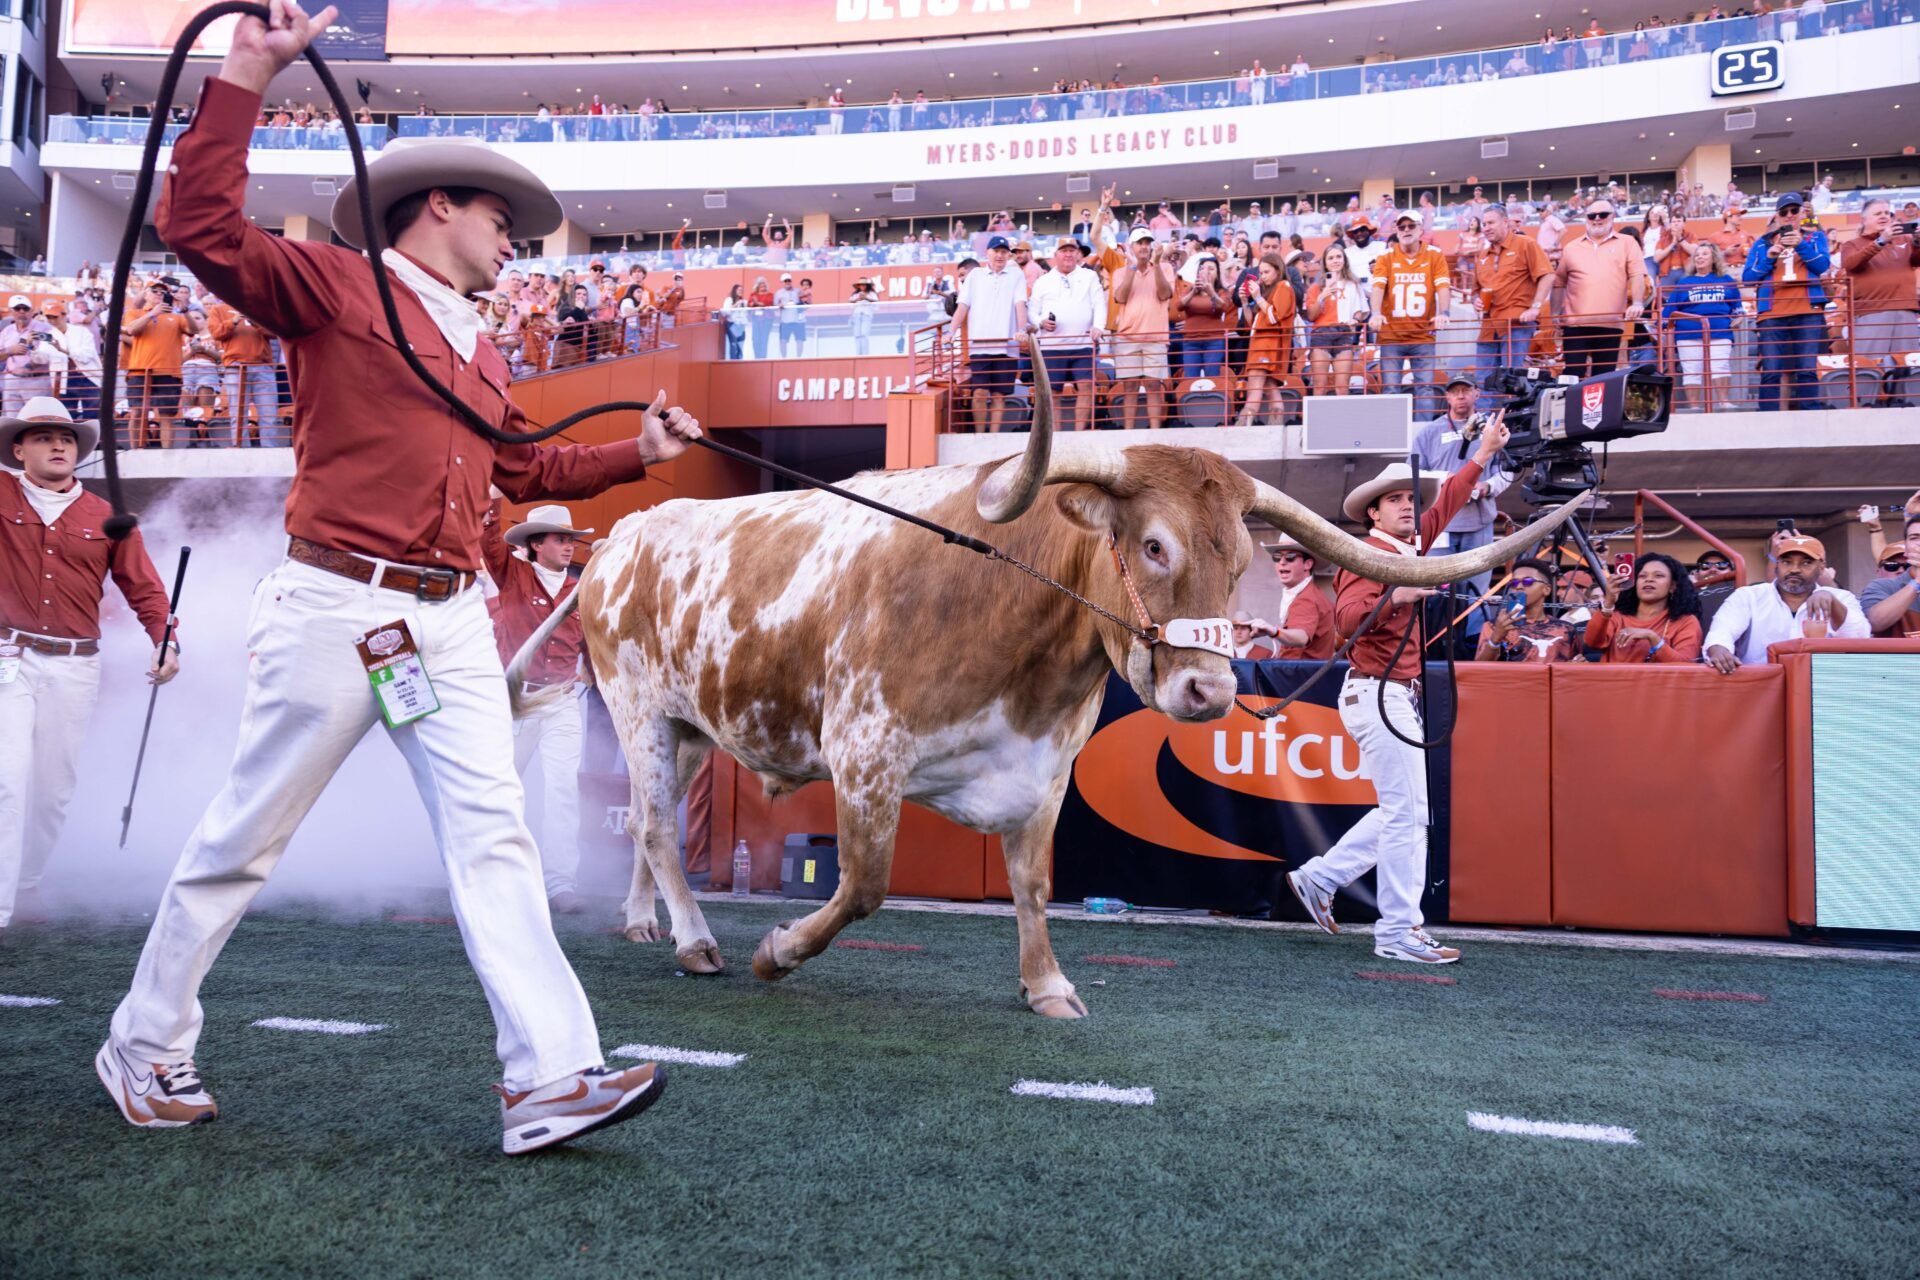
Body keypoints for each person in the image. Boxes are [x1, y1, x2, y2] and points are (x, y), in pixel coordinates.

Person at [100, 0, 699, 1156]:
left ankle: (550, 1075)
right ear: (437, 208)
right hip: (338, 603)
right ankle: (143, 1039)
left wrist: (641, 454)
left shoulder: (481, 341)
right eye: (501, 216)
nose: (517, 236)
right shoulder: (331, 283)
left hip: (449, 620)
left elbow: (521, 462)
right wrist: (243, 74)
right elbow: (198, 223)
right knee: (244, 838)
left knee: (495, 835)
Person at [1286, 413, 1510, 965]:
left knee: (1401, 812)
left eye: (1410, 498)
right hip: (1379, 694)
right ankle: (1397, 931)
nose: (1409, 506)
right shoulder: (1365, 555)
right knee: (1409, 815)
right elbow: (1346, 619)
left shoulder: (1404, 550)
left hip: (1388, 694)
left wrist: (1481, 453)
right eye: (1395, 501)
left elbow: (1449, 502)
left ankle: (1320, 878)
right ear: (1374, 512)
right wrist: (1401, 598)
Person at [0, 399, 178, 944]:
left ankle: (26, 884)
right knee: (7, 780)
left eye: (67, 438)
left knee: (53, 789)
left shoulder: (107, 515)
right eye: (43, 436)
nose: (58, 445)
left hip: (77, 665)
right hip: (6, 657)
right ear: (18, 449)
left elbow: (144, 588)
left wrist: (165, 641)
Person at [483, 500, 591, 915]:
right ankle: (493, 874)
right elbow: (487, 540)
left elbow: (591, 643)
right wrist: (491, 496)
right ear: (535, 544)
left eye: (570, 541)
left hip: (562, 701)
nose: (569, 547)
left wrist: (596, 673)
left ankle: (560, 883)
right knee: (503, 787)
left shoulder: (581, 589)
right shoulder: (512, 574)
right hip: (516, 699)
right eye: (561, 539)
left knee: (562, 789)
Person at [1413, 374, 1513, 634]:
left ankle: (1473, 644)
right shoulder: (1429, 432)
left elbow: (1509, 471)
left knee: (1477, 590)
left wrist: (1487, 486)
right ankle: (1433, 642)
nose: (1460, 396)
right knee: (1434, 588)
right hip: (1440, 525)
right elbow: (1411, 472)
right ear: (1446, 397)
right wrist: (1444, 480)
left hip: (1478, 523)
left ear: (1477, 394)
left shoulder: (1492, 429)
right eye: (1454, 391)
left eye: (1465, 390)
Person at [1704, 534, 1869, 673]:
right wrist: (1719, 649)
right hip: (1761, 691)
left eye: (1806, 562)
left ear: (1821, 567)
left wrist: (1832, 602)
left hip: (1821, 692)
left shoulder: (1842, 598)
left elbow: (1861, 638)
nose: (1794, 569)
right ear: (1776, 565)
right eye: (1786, 562)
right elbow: (1721, 631)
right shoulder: (1749, 596)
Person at [1742, 192, 1832, 412]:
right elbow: (1748, 278)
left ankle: (1812, 417)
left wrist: (1801, 244)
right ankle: (1767, 418)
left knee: (1807, 368)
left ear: (1802, 212)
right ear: (1777, 216)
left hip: (1808, 310)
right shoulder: (1762, 243)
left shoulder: (1815, 237)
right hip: (1771, 313)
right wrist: (1769, 258)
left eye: (1794, 210)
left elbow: (1822, 267)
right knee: (1771, 370)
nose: (1789, 215)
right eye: (1784, 212)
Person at [1369, 210, 1451, 418]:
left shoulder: (1434, 254)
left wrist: (1444, 312)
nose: (1406, 230)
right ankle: (1393, 436)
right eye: (1402, 227)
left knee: (1424, 388)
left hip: (1422, 334)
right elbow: (1378, 287)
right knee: (1391, 389)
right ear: (1396, 230)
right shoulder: (1386, 256)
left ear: (1421, 229)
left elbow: (1442, 286)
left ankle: (1422, 434)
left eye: (1411, 226)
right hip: (1391, 335)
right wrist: (1376, 313)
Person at [1470, 204, 1553, 408]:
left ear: (1505, 222)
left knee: (1514, 377)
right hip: (1489, 326)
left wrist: (1535, 307)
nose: (1486, 227)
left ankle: (1514, 425)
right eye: (1484, 224)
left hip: (1516, 323)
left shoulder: (1525, 244)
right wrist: (1476, 300)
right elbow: (1475, 290)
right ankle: (1484, 427)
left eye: (1491, 222)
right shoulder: (1482, 255)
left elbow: (1548, 275)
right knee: (1483, 379)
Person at [1554, 199, 1647, 379]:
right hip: (1576, 324)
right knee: (1572, 374)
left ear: (1612, 217)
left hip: (1610, 323)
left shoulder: (1627, 243)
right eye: (1592, 215)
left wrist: (1637, 302)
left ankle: (1600, 409)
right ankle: (1569, 408)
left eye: (1603, 214)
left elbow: (1637, 274)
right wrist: (1555, 311)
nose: (1597, 219)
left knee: (1604, 378)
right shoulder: (1571, 247)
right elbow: (1559, 282)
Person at [952, 235, 1029, 433]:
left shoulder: (1016, 274)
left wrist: (1021, 329)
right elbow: (963, 305)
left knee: (999, 395)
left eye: (1004, 252)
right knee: (979, 392)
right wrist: (951, 331)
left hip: (1007, 346)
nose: (1000, 255)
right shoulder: (975, 275)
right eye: (996, 251)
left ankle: (993, 436)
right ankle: (980, 434)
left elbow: (1020, 304)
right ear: (987, 252)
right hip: (980, 345)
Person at [1026, 238, 1105, 433]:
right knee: (1053, 392)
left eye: (1072, 250)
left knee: (1086, 387)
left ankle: (1079, 433)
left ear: (1078, 254)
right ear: (1055, 255)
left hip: (1083, 342)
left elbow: (1099, 303)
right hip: (1052, 345)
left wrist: (1098, 326)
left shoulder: (1089, 276)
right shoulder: (1043, 280)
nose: (1068, 254)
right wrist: (1040, 322)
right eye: (1064, 250)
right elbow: (1032, 310)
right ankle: (1056, 436)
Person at [1662, 242, 1742, 411]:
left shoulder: (1726, 280)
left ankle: (1724, 402)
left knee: (1720, 365)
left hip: (1720, 331)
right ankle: (1694, 407)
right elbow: (1669, 310)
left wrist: (1739, 317)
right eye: (1697, 255)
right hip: (1688, 333)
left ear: (1714, 258)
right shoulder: (1684, 282)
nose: (1700, 257)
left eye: (1705, 254)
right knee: (1691, 369)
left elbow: (1737, 307)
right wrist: (1660, 324)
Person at [1838, 198, 1920, 360]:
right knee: (1870, 367)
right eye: (1877, 213)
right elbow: (1851, 264)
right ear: (1864, 220)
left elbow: (1917, 261)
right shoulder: (1852, 244)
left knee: (1908, 368)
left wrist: (1918, 242)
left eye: (1886, 213)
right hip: (1871, 313)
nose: (1884, 216)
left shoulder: (1905, 239)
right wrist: (1881, 241)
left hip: (1906, 310)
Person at [1584, 552, 1705, 663]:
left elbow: (1685, 666)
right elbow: (1593, 642)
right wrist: (1608, 603)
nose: (1649, 579)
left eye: (1658, 576)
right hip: (1614, 684)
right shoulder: (1617, 615)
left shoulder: (1686, 622)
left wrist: (1652, 637)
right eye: (1642, 576)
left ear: (1673, 586)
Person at [1111, 227, 1175, 429]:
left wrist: (1155, 265)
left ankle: (1155, 433)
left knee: (1154, 386)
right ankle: (1128, 434)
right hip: (1127, 337)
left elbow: (1165, 294)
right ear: (1132, 246)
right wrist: (1131, 267)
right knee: (1129, 387)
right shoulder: (1121, 271)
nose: (1144, 246)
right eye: (1140, 243)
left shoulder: (1164, 268)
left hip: (1155, 337)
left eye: (1147, 242)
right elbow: (1120, 297)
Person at [1475, 558, 1582, 663]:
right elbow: (1478, 671)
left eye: (1528, 581)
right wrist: (1495, 639)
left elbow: (1574, 672)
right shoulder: (1493, 626)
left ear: (1546, 589)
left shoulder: (1566, 629)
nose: (1519, 587)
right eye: (1514, 583)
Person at [1232, 253, 1295, 428]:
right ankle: (1275, 427)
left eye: (1266, 272)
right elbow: (1250, 324)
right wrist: (1245, 302)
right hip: (1261, 344)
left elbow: (1275, 317)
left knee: (1254, 387)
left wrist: (1258, 297)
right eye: (1261, 273)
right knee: (1270, 388)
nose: (1263, 276)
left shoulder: (1283, 286)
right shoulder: (1271, 291)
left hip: (1267, 345)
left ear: (1278, 270)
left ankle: (1243, 427)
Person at [1303, 241, 1368, 397]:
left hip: (1344, 333)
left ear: (1344, 259)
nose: (1335, 260)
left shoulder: (1354, 284)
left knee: (1342, 387)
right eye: (1331, 258)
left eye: (1338, 256)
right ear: (1325, 263)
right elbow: (1311, 316)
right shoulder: (1315, 287)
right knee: (1319, 386)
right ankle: (1317, 420)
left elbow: (1361, 311)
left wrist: (1355, 319)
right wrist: (1322, 296)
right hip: (1321, 335)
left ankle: (1342, 420)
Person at [1263, 535, 1335, 659]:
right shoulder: (1309, 593)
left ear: (1307, 564)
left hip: (1301, 676)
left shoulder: (1307, 598)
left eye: (1290, 557)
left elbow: (1301, 637)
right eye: (1277, 557)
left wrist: (1273, 631)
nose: (1282, 562)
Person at [39, 300, 104, 423]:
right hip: (64, 380)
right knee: (67, 418)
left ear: (63, 315)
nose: (52, 320)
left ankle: (94, 441)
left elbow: (86, 356)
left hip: (88, 377)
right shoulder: (49, 335)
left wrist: (63, 350)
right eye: (48, 317)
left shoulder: (82, 332)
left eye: (54, 316)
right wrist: (31, 348)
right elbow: (42, 358)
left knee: (92, 417)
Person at [1861, 515, 1920, 637]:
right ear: (1907, 550)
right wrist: (1917, 583)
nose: (1919, 543)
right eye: (1914, 538)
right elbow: (1874, 623)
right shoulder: (1882, 586)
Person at [1173, 255, 1230, 379]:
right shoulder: (1190, 288)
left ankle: (1211, 398)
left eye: (1211, 269)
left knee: (1212, 375)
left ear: (1217, 273)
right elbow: (1179, 306)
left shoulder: (1221, 291)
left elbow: (1224, 306)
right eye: (1203, 268)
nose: (1207, 272)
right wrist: (1193, 291)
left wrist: (1211, 292)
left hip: (1214, 340)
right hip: (1191, 340)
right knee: (1190, 377)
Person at [3, 296, 55, 416]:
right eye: (17, 308)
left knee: (37, 419)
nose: (22, 312)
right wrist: (9, 351)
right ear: (12, 311)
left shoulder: (45, 329)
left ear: (31, 311)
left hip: (37, 381)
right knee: (12, 421)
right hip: (12, 380)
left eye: (25, 309)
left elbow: (49, 354)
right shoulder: (7, 331)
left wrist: (28, 365)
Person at [849, 278, 878, 356]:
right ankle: (859, 353)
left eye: (864, 285)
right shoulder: (855, 294)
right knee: (857, 335)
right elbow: (850, 303)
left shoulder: (871, 293)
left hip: (866, 315)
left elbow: (876, 302)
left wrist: (866, 298)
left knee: (864, 334)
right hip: (857, 315)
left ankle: (865, 354)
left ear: (867, 285)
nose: (862, 286)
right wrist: (857, 299)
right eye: (861, 285)